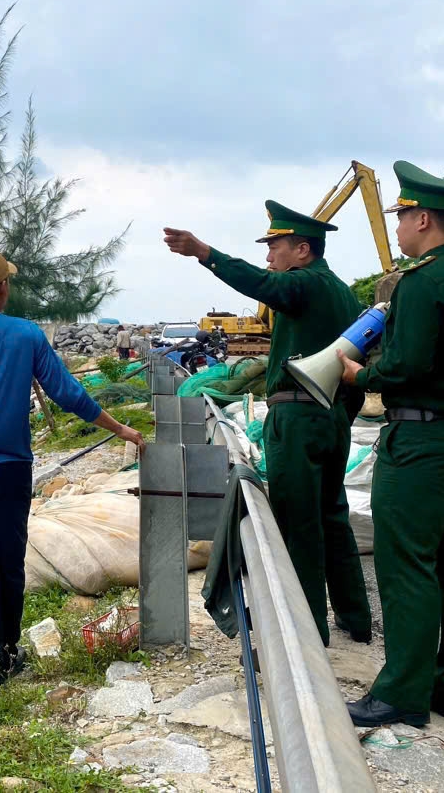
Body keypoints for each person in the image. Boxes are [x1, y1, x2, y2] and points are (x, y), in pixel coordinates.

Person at [0, 248, 147, 697]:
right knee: (8, 562)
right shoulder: (26, 335)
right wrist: (120, 429)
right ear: (3, 288)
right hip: (11, 469)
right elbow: (67, 392)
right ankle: (7, 655)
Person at [339, 161, 444, 728]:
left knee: (407, 562)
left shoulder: (423, 282)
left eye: (404, 216)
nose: (400, 226)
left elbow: (407, 364)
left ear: (425, 219)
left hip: (421, 442)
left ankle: (402, 694)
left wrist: (358, 377)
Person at [164, 201, 371, 647]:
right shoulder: (340, 291)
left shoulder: (303, 283)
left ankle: (307, 633)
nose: (269, 257)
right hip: (330, 414)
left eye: (274, 246)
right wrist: (338, 417)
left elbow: (261, 283)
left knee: (298, 525)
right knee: (333, 516)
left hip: (297, 415)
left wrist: (205, 252)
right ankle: (356, 617)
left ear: (302, 249)